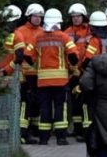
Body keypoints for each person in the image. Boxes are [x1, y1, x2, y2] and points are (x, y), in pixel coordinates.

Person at [31, 8, 79, 145]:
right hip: (60, 80)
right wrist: (72, 66)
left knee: (44, 108)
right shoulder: (63, 36)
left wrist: (37, 66)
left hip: (42, 81)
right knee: (60, 107)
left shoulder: (38, 37)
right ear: (58, 22)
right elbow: (73, 55)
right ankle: (61, 138)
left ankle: (43, 138)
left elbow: (28, 56)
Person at [13, 3, 45, 144]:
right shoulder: (21, 31)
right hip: (24, 74)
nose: (38, 19)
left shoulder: (43, 31)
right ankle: (23, 132)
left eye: (40, 16)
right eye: (35, 16)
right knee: (26, 102)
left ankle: (35, 128)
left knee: (37, 103)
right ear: (29, 16)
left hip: (39, 74)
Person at [66, 3, 95, 141]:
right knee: (75, 102)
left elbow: (90, 52)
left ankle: (85, 131)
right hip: (73, 72)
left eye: (78, 16)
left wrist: (82, 69)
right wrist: (72, 69)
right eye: (73, 16)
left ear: (83, 16)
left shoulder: (90, 31)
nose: (76, 19)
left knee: (85, 101)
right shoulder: (67, 32)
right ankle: (77, 130)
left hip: (85, 72)